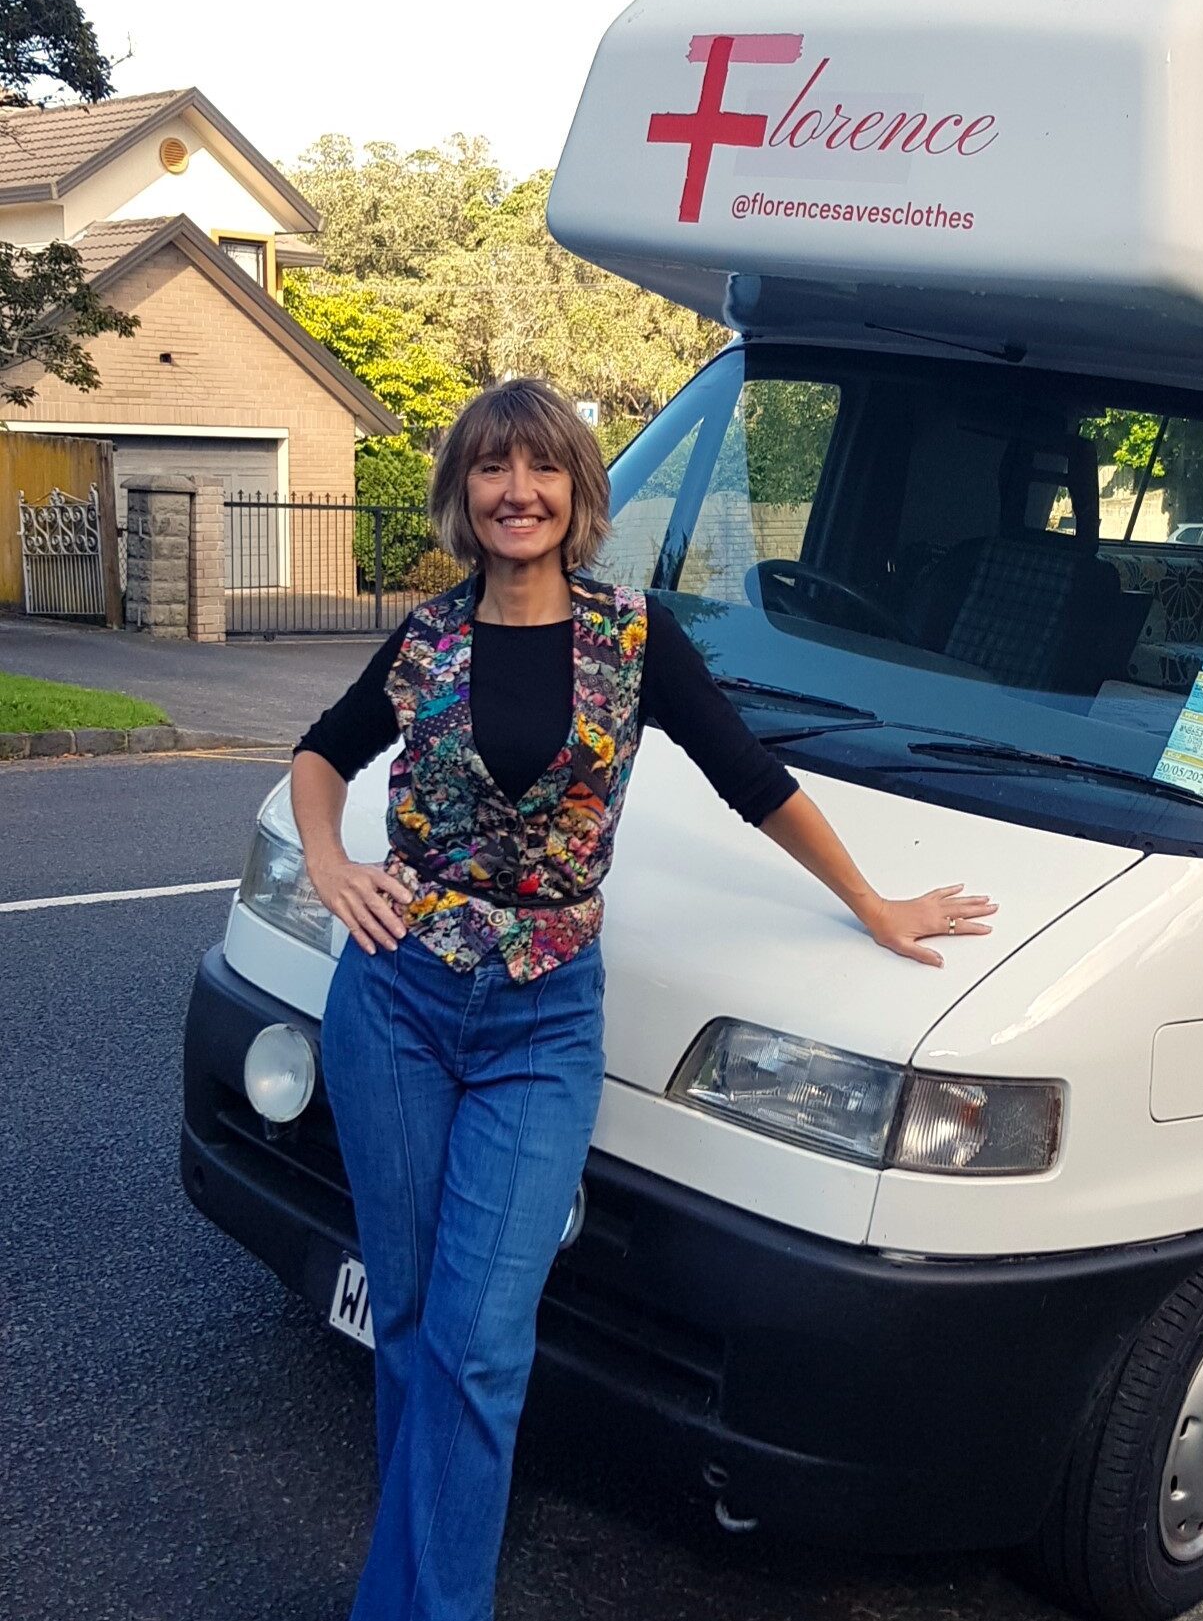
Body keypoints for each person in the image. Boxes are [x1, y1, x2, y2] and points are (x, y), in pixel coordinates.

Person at [292, 377, 995, 1620]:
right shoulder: (425, 641)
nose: (518, 494)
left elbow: (749, 777)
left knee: (481, 1339)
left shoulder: (632, 639)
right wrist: (332, 864)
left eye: (542, 470)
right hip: (394, 1003)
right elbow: (320, 753)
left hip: (541, 1024)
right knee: (405, 1319)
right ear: (463, 495)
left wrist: (877, 904)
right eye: (492, 472)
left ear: (577, 492)